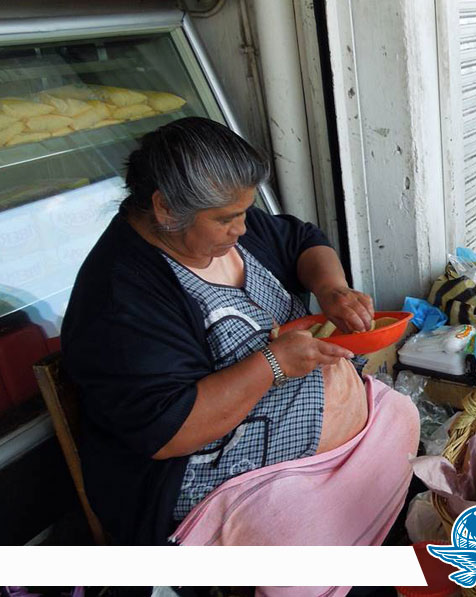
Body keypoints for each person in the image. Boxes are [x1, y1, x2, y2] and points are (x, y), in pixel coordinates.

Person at [62, 117, 418, 544]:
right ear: (165, 208)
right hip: (195, 482)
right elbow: (168, 432)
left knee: (400, 418)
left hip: (320, 432)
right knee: (299, 536)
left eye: (246, 212)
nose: (243, 228)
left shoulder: (222, 228)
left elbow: (303, 241)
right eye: (228, 219)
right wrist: (274, 363)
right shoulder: (120, 299)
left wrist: (332, 289)